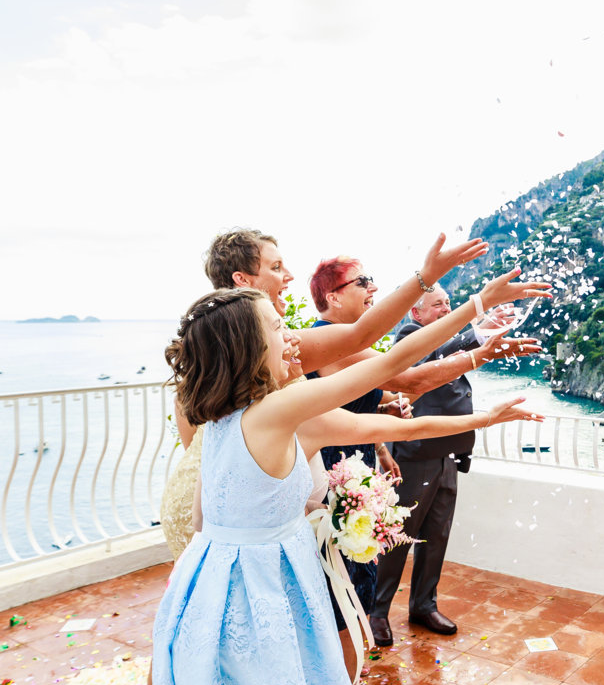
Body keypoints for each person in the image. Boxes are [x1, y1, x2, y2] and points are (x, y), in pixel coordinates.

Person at [152, 267, 548, 685]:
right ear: (249, 350)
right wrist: (476, 307)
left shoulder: (221, 418)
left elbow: (200, 521)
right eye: (278, 330)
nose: (291, 340)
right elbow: (393, 362)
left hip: (210, 580)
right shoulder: (279, 410)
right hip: (263, 587)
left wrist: (483, 418)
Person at [158, 227, 487, 558]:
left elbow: (198, 451)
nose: (288, 276)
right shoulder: (273, 351)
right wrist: (437, 280)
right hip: (240, 527)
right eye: (275, 268)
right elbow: (370, 343)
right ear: (242, 280)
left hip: (209, 512)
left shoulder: (209, 358)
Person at [369, 283, 533, 646]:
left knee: (435, 536)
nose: (446, 310)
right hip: (414, 458)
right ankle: (376, 611)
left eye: (448, 304)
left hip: (448, 455)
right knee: (397, 539)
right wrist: (477, 333)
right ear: (417, 313)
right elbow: (440, 351)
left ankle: (424, 605)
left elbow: (453, 350)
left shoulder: (440, 343)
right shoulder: (409, 339)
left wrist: (485, 329)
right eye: (437, 305)